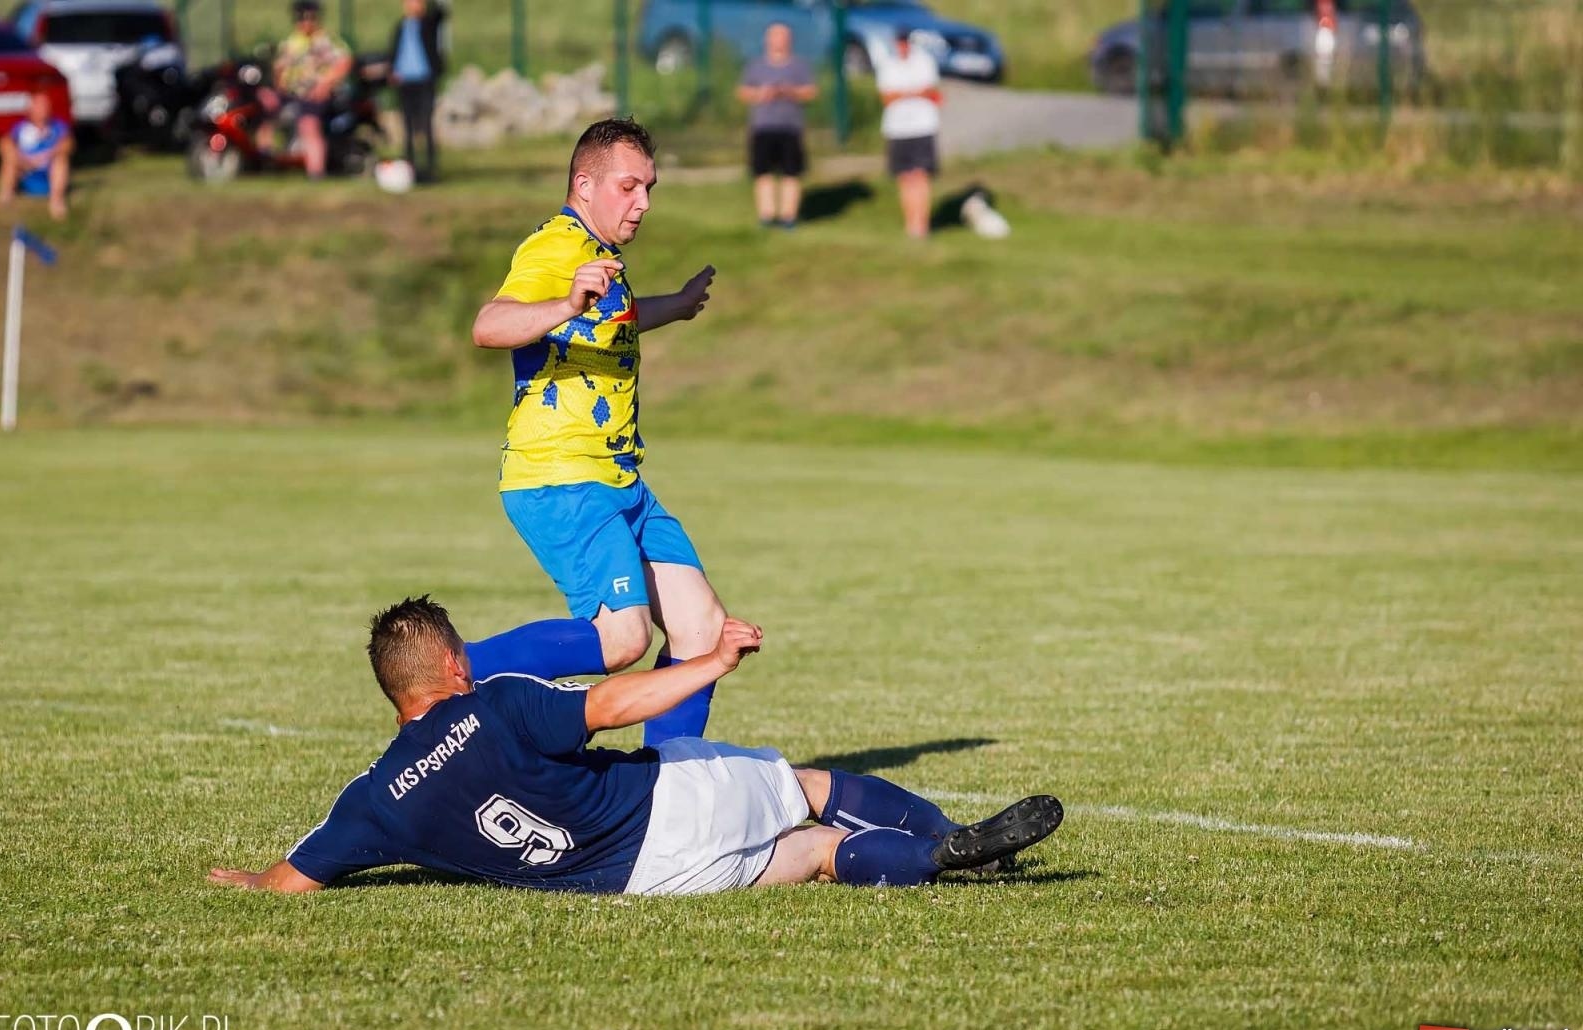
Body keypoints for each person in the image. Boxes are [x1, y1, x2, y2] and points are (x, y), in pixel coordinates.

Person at [206, 596, 1064, 895]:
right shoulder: (495, 703)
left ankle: (931, 861)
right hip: (666, 808)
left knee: (814, 856)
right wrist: (710, 661)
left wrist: (252, 882)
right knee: (805, 789)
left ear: (395, 693)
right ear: (457, 665)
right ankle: (950, 842)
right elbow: (613, 704)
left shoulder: (374, 801)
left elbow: (294, 878)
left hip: (645, 885)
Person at [468, 118, 725, 748]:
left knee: (702, 629)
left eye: (650, 188)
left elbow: (609, 321)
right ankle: (455, 673)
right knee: (622, 639)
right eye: (628, 186)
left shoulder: (600, 253)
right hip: (561, 477)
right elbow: (489, 324)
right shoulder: (555, 248)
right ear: (584, 185)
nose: (643, 203)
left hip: (619, 479)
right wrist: (564, 303)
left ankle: (668, 785)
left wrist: (675, 306)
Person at [736, 23, 817, 229]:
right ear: (767, 40)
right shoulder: (756, 65)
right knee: (763, 172)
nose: (779, 41)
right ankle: (767, 215)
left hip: (790, 126)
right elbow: (743, 92)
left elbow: (811, 92)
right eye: (775, 37)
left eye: (783, 37)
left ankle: (789, 217)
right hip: (763, 126)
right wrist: (761, 94)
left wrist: (791, 92)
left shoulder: (799, 65)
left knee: (791, 172)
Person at [261, 0, 353, 178]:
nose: (305, 22)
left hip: (314, 93)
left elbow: (344, 62)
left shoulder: (326, 40)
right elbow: (279, 67)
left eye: (309, 18)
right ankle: (266, 160)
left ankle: (315, 171)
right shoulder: (292, 41)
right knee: (263, 111)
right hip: (291, 92)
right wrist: (275, 88)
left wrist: (325, 84)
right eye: (301, 18)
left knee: (308, 124)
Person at [876, 29, 942, 239]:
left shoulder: (924, 62)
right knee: (905, 177)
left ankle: (922, 225)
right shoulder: (888, 65)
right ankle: (910, 224)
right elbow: (887, 97)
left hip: (922, 126)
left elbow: (930, 91)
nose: (902, 46)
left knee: (921, 175)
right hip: (898, 129)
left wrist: (904, 93)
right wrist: (912, 92)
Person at [387, 0, 446, 183]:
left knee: (426, 123)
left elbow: (440, 13)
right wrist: (392, 70)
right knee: (407, 125)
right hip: (405, 81)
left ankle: (430, 168)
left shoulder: (428, 24)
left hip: (424, 80)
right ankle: (409, 167)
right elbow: (394, 51)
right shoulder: (400, 26)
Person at [0, 92, 72, 220]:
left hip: (48, 171)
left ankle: (57, 201)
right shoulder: (20, 127)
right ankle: (6, 195)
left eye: (45, 105)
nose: (43, 109)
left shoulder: (58, 126)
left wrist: (46, 156)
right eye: (39, 106)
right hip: (25, 170)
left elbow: (68, 144)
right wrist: (23, 159)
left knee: (61, 160)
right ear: (30, 109)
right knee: (9, 157)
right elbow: (4, 144)